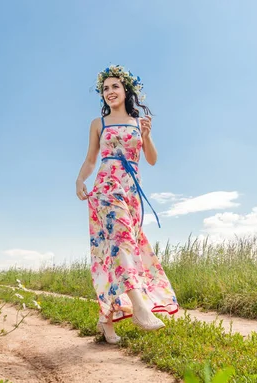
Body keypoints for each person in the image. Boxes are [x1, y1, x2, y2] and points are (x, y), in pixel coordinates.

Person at [75, 65, 179, 344]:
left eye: (114, 87)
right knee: (120, 242)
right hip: (106, 187)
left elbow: (152, 159)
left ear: (126, 91)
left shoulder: (138, 121)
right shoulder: (99, 124)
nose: (109, 92)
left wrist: (146, 136)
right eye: (105, 88)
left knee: (115, 252)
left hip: (131, 190)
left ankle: (106, 321)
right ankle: (140, 308)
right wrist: (79, 180)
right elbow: (90, 160)